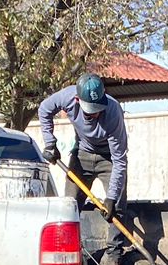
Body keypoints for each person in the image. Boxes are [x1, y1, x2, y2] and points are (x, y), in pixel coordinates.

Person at [37, 74, 128, 229]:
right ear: (78, 100)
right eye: (91, 110)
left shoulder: (113, 111)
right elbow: (44, 110)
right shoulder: (68, 96)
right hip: (82, 153)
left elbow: (119, 160)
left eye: (98, 108)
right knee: (69, 206)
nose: (95, 114)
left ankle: (114, 252)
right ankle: (71, 248)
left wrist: (111, 197)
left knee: (116, 205)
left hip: (109, 157)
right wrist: (50, 143)